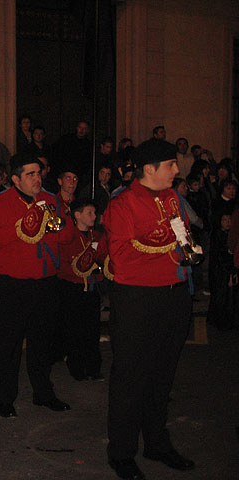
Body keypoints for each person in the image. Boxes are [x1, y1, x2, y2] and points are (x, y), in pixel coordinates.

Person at [103, 138, 196, 479]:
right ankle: (122, 452)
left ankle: (157, 443)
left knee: (162, 374)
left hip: (173, 295)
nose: (176, 170)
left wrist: (183, 245)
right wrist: (168, 244)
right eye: (170, 165)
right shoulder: (122, 204)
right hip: (138, 299)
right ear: (149, 169)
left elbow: (179, 235)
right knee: (131, 377)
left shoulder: (172, 197)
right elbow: (123, 258)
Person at [0, 154, 73, 417]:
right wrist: (24, 226)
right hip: (12, 283)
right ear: (15, 179)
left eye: (38, 173)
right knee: (8, 344)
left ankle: (43, 393)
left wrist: (54, 229)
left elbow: (67, 234)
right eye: (31, 174)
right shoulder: (0, 202)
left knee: (42, 342)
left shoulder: (50, 200)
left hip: (45, 281)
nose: (37, 178)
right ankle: (4, 396)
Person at [57, 199, 107, 381]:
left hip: (91, 287)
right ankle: (76, 366)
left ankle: (93, 367)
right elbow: (63, 263)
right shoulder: (69, 235)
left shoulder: (97, 236)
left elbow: (102, 257)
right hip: (73, 287)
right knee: (74, 329)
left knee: (92, 329)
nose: (94, 216)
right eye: (89, 213)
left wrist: (99, 266)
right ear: (77, 215)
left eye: (94, 213)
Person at [208, 213, 238, 330]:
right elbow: (217, 256)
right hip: (220, 270)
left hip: (230, 268)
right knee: (221, 296)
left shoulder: (232, 235)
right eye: (224, 220)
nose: (228, 222)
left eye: (229, 219)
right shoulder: (217, 235)